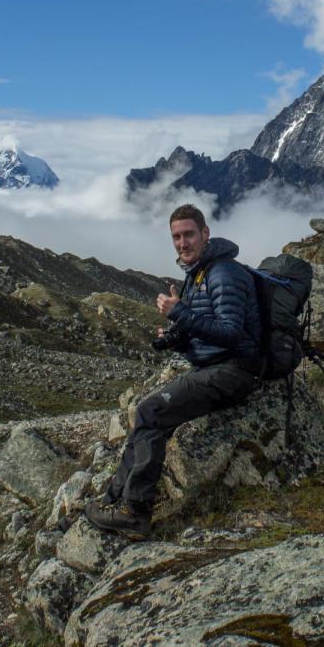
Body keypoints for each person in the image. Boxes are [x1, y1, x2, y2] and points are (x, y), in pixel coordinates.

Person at [84, 203, 261, 539]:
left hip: (235, 371)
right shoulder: (197, 274)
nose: (182, 243)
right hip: (215, 366)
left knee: (151, 410)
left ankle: (134, 512)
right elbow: (204, 330)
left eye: (188, 234)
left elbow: (231, 333)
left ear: (205, 234)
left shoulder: (222, 273)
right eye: (176, 237)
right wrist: (174, 338)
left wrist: (179, 312)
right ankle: (113, 500)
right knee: (147, 411)